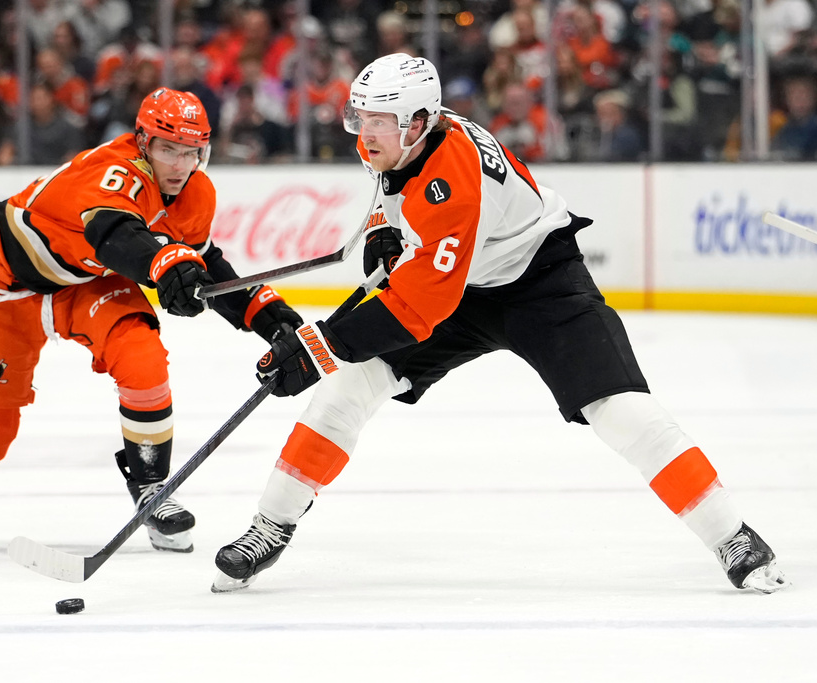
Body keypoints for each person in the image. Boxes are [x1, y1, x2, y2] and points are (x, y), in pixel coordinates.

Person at [211, 54, 788, 595]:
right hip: (462, 278)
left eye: (379, 121)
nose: (366, 133)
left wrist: (320, 347)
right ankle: (270, 525)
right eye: (360, 118)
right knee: (346, 392)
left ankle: (731, 534)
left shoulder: (451, 179)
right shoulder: (410, 140)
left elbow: (420, 308)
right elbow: (404, 206)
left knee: (620, 410)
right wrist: (388, 229)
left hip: (539, 283)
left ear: (417, 122)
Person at [0, 88, 303, 554]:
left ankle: (152, 490)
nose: (179, 164)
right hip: (8, 284)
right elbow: (113, 234)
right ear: (142, 143)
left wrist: (270, 317)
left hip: (84, 283)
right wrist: (165, 264)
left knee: (143, 356)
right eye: (167, 149)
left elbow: (209, 265)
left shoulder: (195, 193)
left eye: (190, 152)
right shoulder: (113, 171)